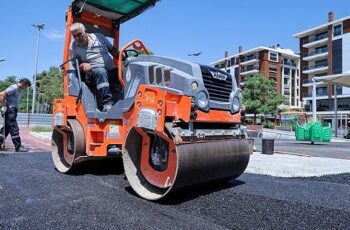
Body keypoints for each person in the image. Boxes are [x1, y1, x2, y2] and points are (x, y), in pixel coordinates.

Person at [70, 22, 120, 112]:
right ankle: (107, 103)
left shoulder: (99, 37)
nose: (77, 38)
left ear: (85, 31)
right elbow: (75, 65)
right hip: (92, 73)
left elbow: (114, 51)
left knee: (125, 71)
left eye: (79, 34)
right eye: (74, 36)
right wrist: (83, 65)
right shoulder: (74, 46)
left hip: (110, 70)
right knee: (101, 72)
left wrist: (126, 59)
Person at [0, 78, 31, 152]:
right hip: (10, 111)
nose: (25, 88)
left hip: (12, 110)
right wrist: (3, 106)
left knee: (6, 129)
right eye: (26, 86)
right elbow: (2, 94)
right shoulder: (14, 87)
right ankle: (18, 146)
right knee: (14, 127)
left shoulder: (18, 89)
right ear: (23, 83)